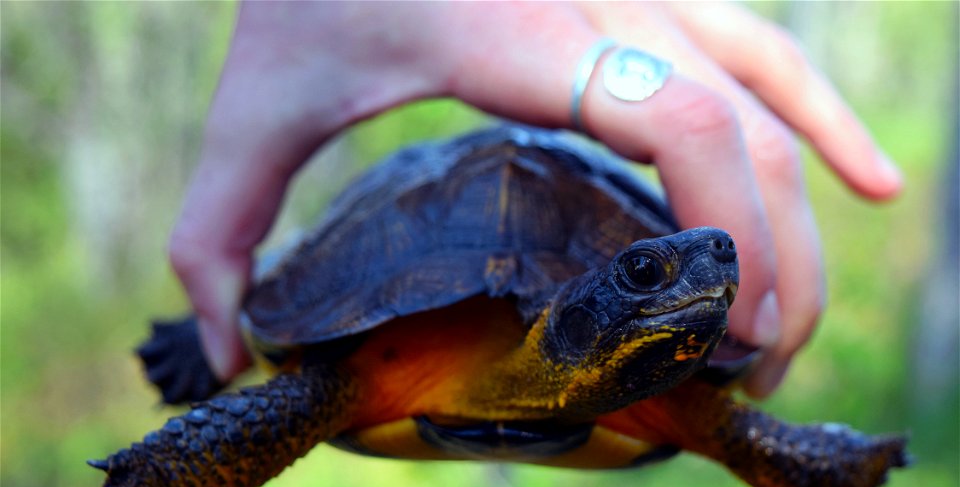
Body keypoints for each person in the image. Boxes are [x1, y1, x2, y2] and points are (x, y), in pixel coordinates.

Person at [169, 2, 901, 398]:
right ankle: (200, 340)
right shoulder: (369, 369)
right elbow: (288, 397)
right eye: (645, 273)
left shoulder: (676, 391)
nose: (717, 255)